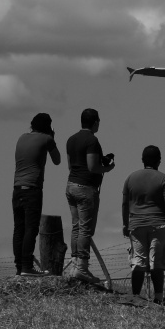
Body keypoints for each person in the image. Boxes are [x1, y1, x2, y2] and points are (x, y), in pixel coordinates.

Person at [121, 145, 165, 304]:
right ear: (159, 160)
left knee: (138, 262)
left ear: (142, 160)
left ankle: (135, 297)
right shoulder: (164, 179)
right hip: (159, 225)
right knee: (156, 263)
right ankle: (158, 298)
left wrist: (125, 224)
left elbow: (125, 204)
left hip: (136, 225)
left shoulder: (130, 178)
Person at [65, 108, 114, 284]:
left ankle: (74, 264)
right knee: (85, 228)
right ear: (94, 122)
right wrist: (108, 168)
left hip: (71, 185)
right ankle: (82, 268)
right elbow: (93, 166)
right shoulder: (92, 140)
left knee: (76, 226)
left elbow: (71, 165)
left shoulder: (71, 139)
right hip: (86, 188)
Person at [12, 112, 61, 276]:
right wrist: (52, 137)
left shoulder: (21, 138)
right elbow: (57, 159)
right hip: (32, 190)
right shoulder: (46, 139)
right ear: (48, 127)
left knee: (19, 229)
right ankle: (27, 266)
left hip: (17, 188)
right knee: (31, 229)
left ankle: (19, 267)